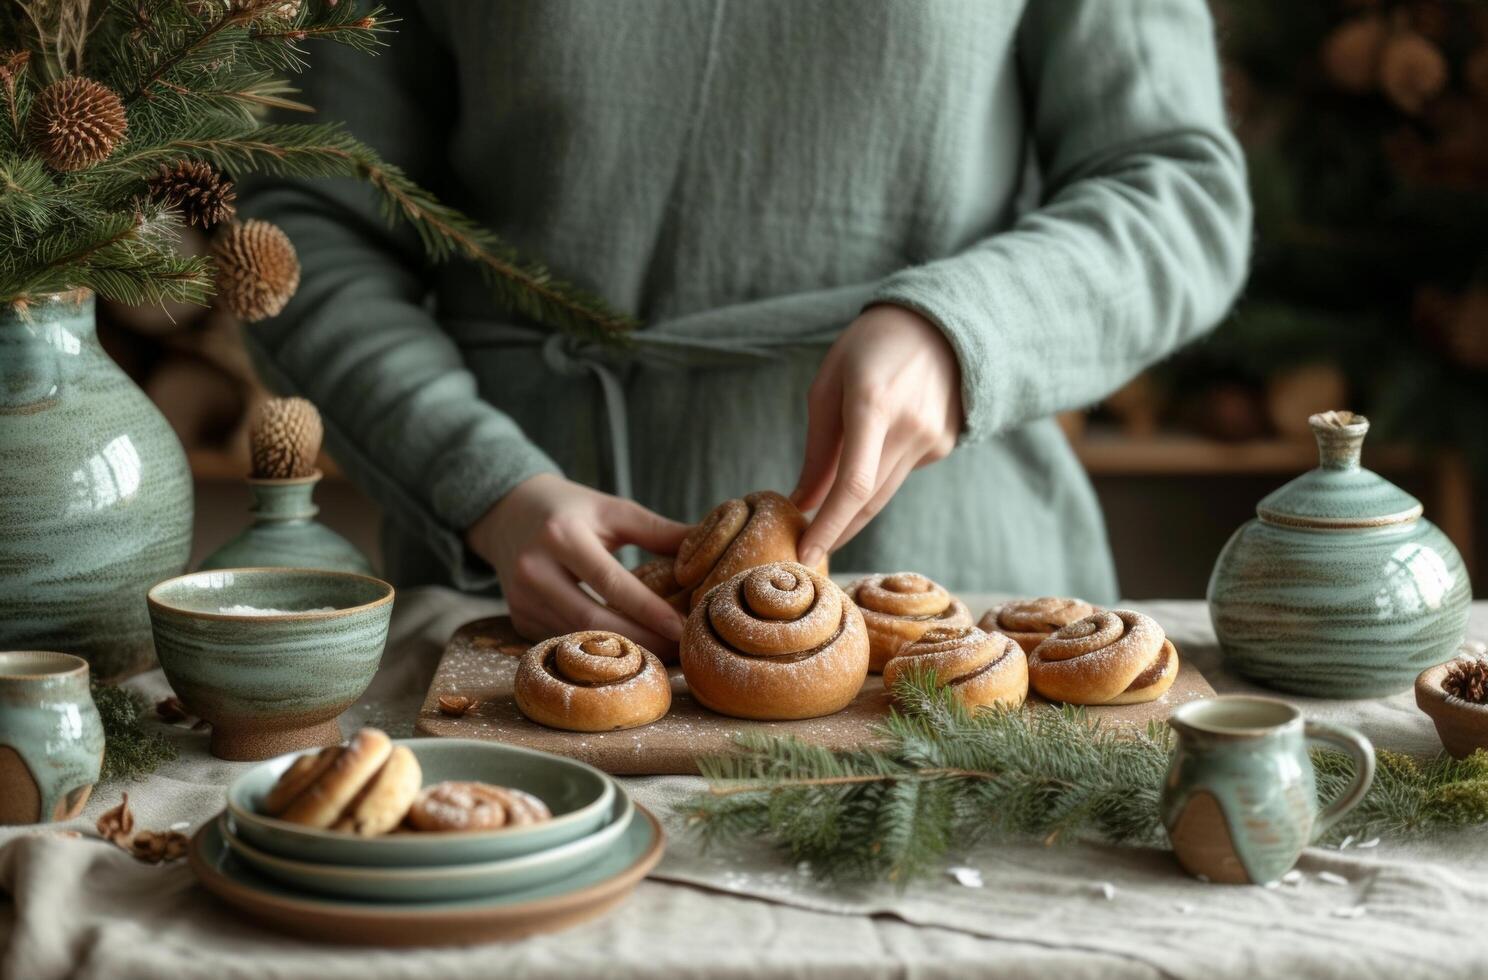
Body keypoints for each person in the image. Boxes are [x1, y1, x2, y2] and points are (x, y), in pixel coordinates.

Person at [244, 0, 1251, 656]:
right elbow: (305, 218)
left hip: (955, 608)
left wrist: (962, 332)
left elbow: (1178, 191)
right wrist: (484, 486)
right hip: (526, 605)